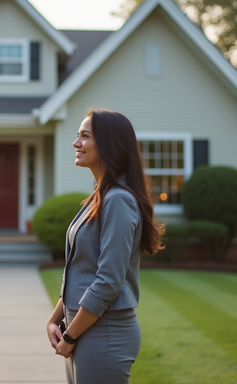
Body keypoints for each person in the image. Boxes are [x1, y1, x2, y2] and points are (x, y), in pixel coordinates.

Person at [45, 109, 163, 383]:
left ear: (110, 144)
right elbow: (80, 269)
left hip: (104, 332)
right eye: (77, 136)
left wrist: (71, 334)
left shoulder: (118, 200)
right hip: (84, 328)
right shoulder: (99, 198)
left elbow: (108, 280)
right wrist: (54, 320)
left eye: (84, 136)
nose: (76, 143)